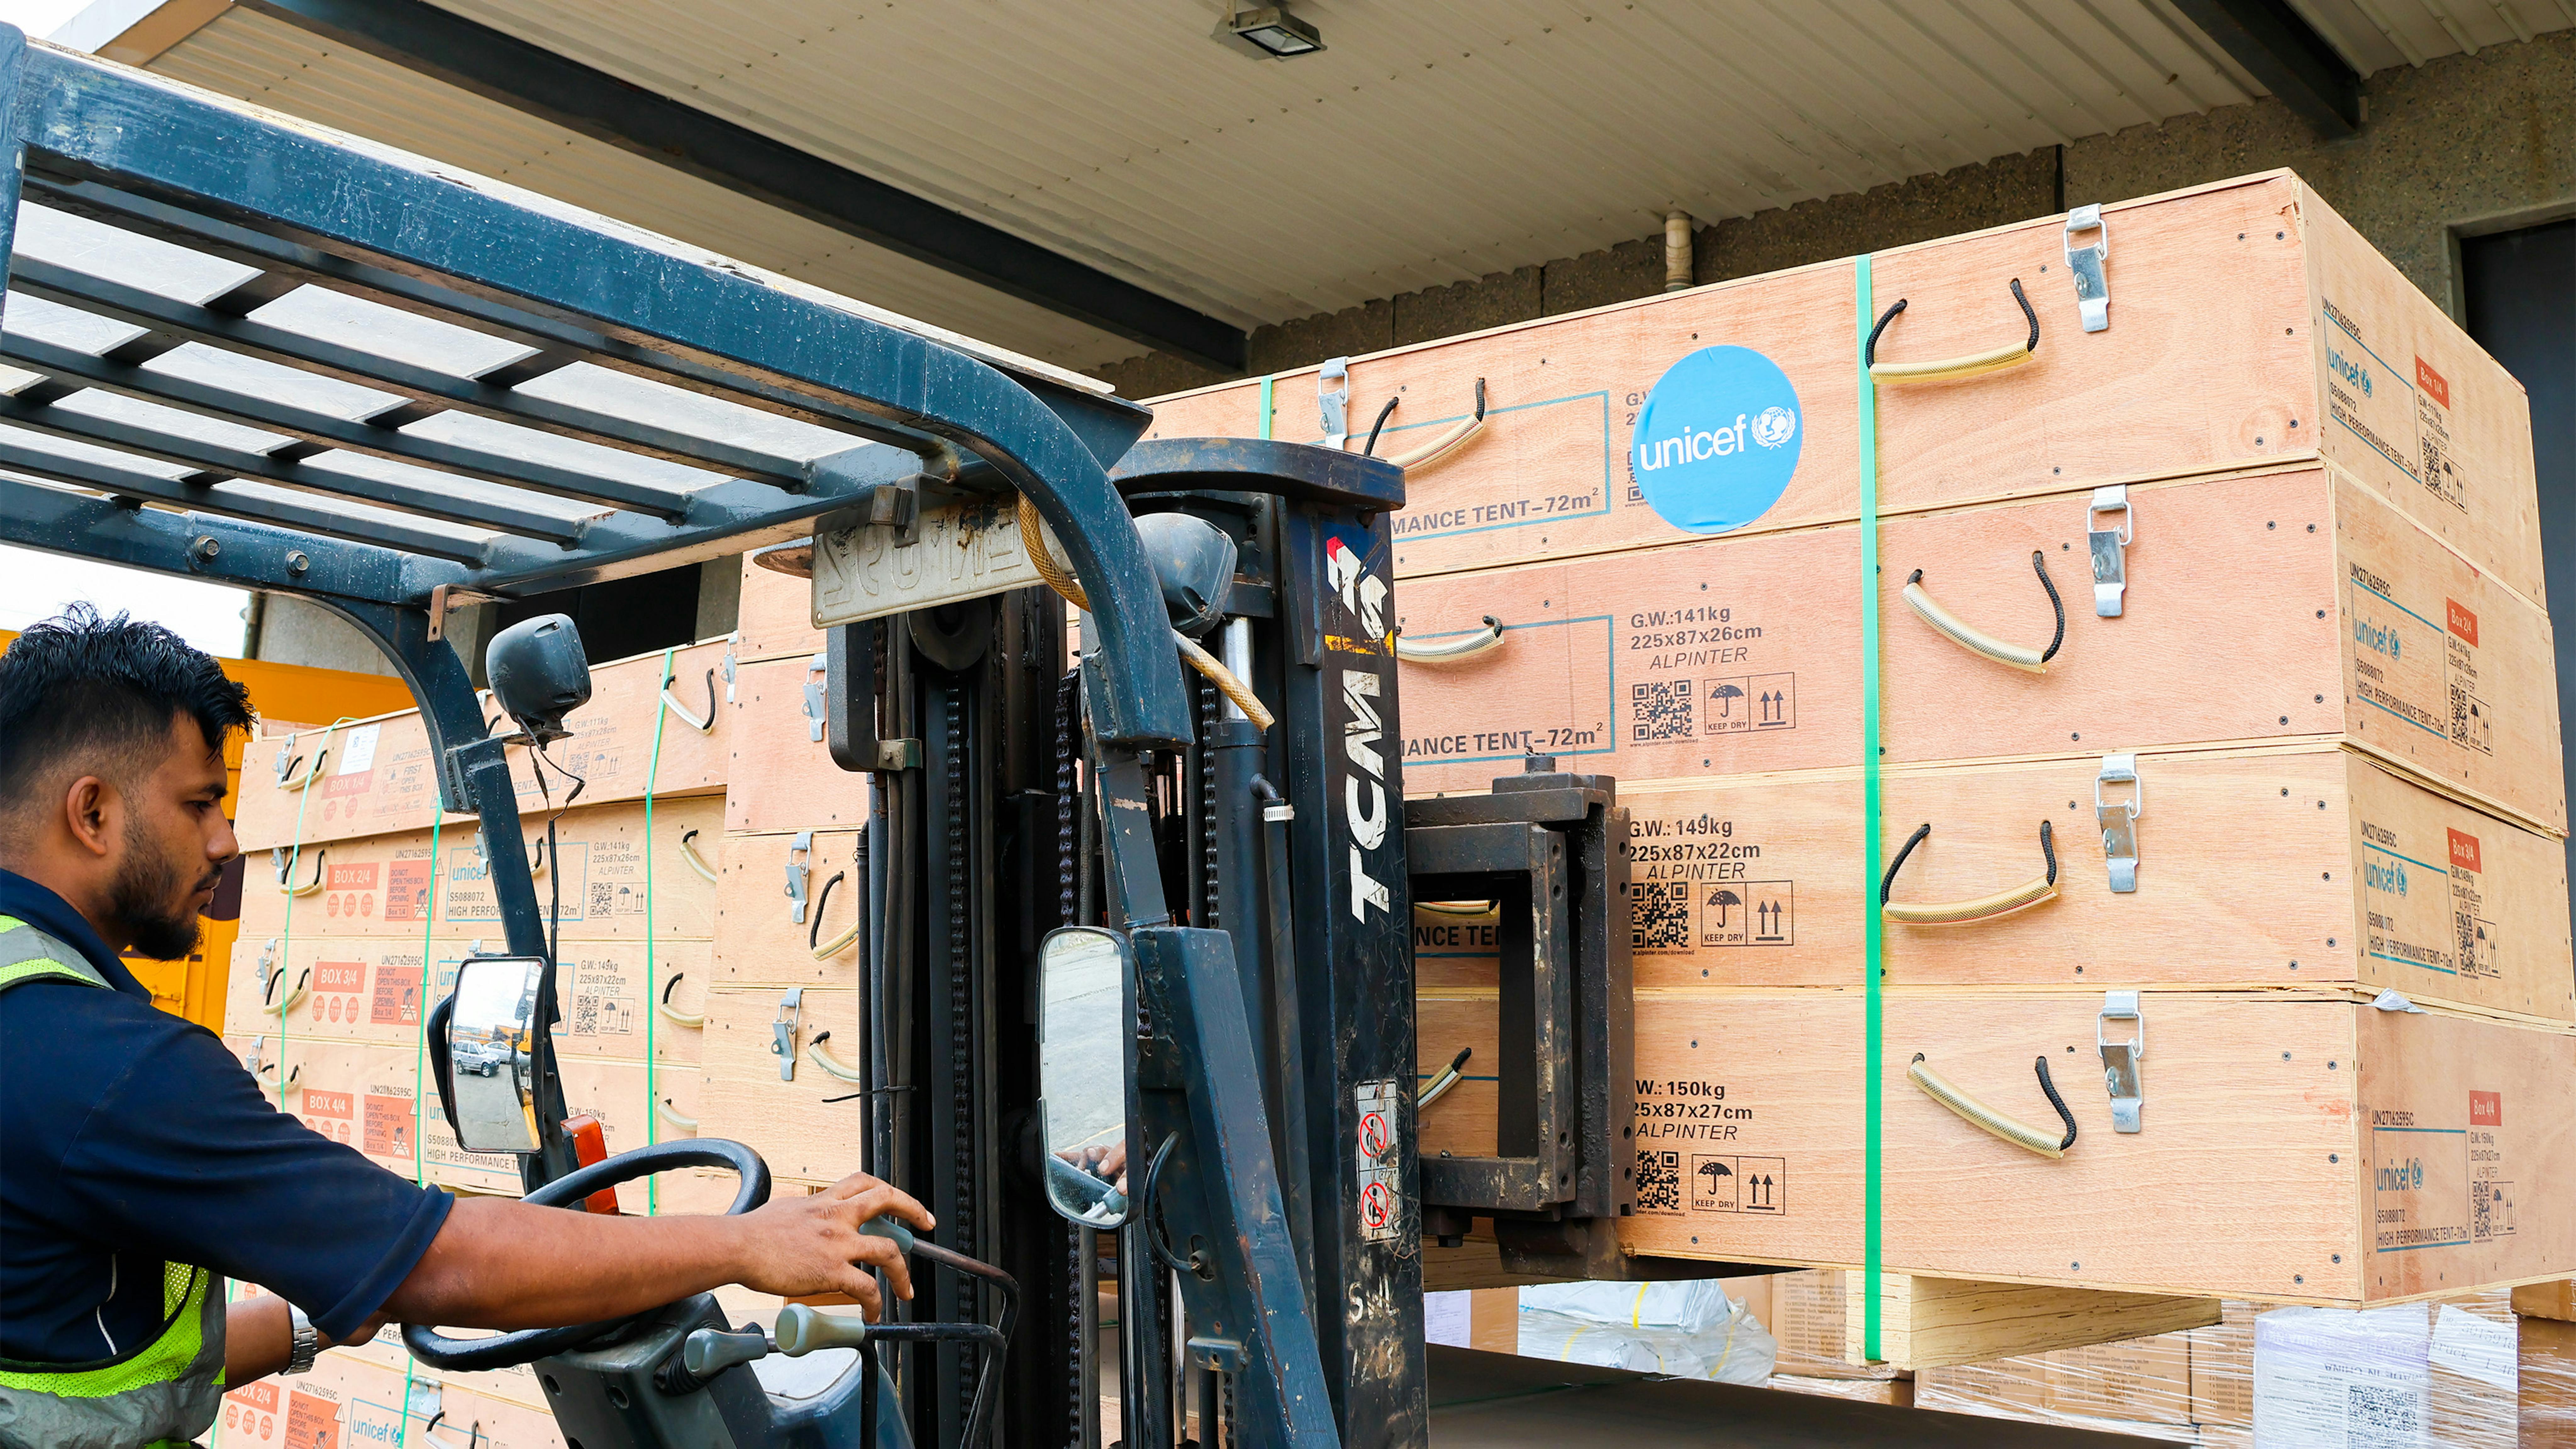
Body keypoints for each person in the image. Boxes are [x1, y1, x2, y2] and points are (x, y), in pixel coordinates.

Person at [0, 606, 931, 1449]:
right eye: (201, 802)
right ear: (93, 812)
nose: (227, 842)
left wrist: (320, 1308)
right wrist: (744, 1242)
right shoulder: (104, 1064)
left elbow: (69, 1344)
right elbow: (441, 1263)